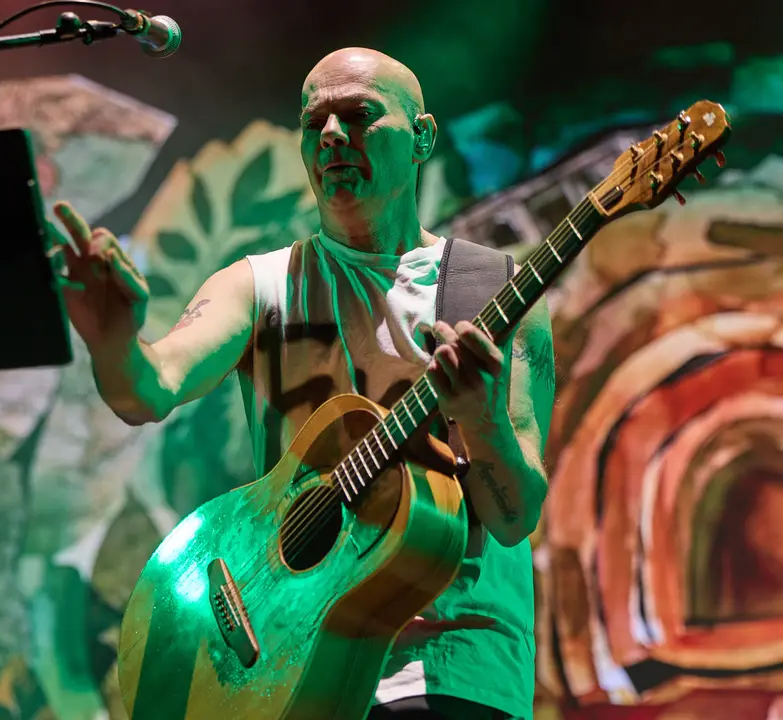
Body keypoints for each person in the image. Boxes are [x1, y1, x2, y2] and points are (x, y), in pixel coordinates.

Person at [50, 47, 554, 720]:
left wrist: (483, 421)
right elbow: (148, 388)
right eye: (314, 122)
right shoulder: (256, 287)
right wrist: (112, 344)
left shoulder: (493, 291)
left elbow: (513, 516)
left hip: (448, 670)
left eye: (359, 115)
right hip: (287, 664)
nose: (332, 137)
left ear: (423, 138)